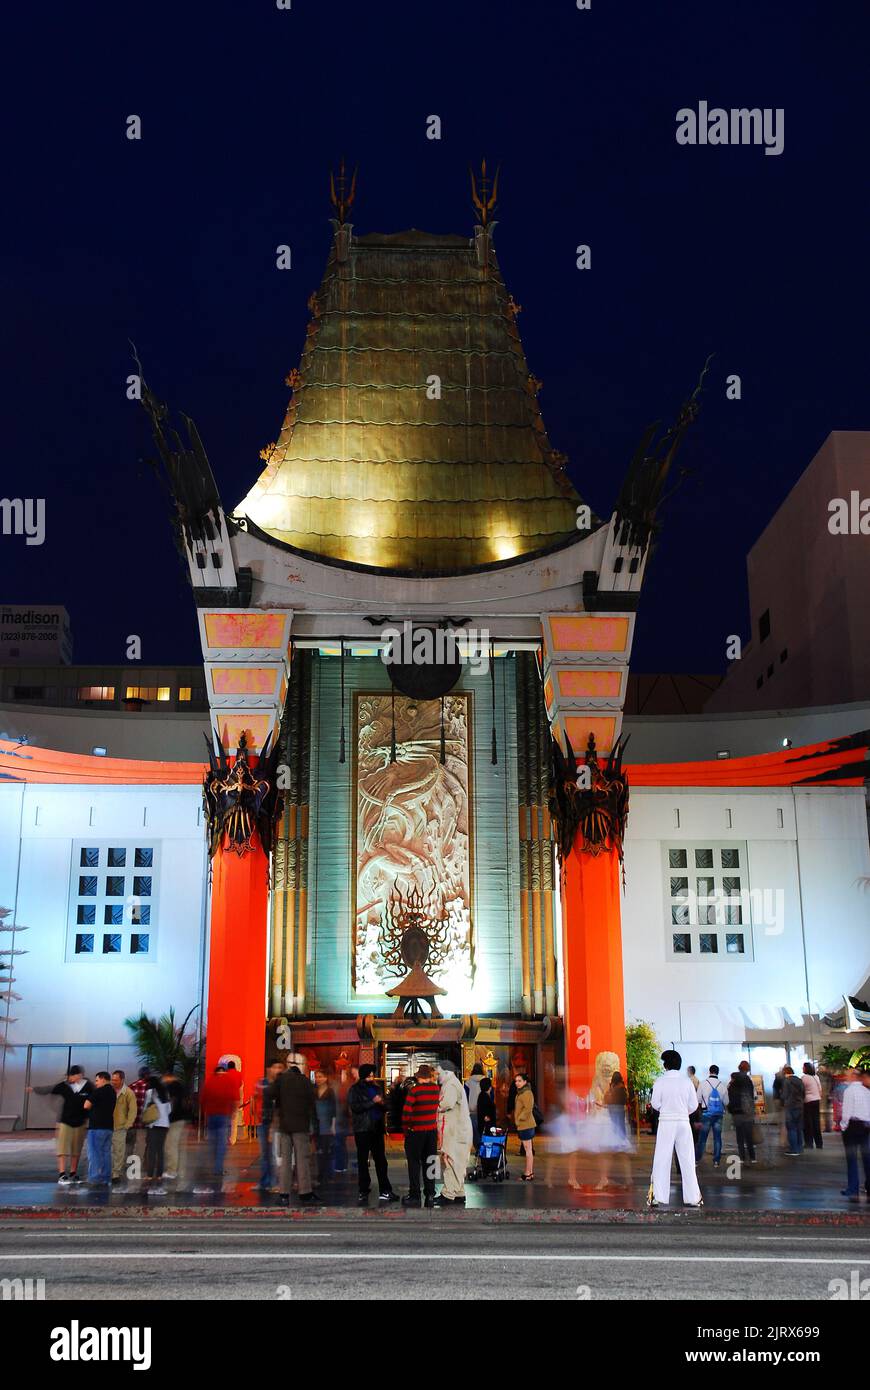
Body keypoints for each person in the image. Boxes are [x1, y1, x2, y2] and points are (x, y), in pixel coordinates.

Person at [648, 1049, 702, 1208]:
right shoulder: (687, 1082)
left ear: (665, 1065)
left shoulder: (659, 1082)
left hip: (666, 1121)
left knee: (662, 1159)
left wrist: (667, 1109)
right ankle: (693, 1197)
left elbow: (655, 1103)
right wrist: (682, 1112)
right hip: (683, 1121)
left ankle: (659, 1196)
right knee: (687, 1159)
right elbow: (693, 1105)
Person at [28, 1065, 93, 1186]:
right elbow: (50, 1089)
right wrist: (34, 1089)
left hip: (80, 1122)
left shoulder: (88, 1086)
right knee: (62, 1148)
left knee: (76, 1149)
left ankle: (73, 1173)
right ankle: (62, 1174)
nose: (69, 1078)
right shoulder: (64, 1085)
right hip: (65, 1121)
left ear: (79, 1075)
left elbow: (96, 1096)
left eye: (72, 1076)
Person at [270, 1060, 320, 1205]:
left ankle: (284, 1194)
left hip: (285, 1127)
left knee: (285, 1161)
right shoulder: (305, 1082)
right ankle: (305, 1193)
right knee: (302, 1160)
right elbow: (312, 1105)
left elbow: (270, 1094)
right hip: (301, 1127)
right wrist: (315, 1127)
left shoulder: (282, 1081)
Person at [348, 1065, 396, 1205]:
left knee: (381, 1161)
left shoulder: (376, 1088)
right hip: (363, 1129)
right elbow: (355, 1107)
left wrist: (382, 1103)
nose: (371, 1078)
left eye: (372, 1075)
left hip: (376, 1128)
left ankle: (385, 1190)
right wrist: (372, 1102)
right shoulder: (355, 1089)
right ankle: (363, 1190)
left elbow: (385, 1105)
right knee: (363, 1161)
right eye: (369, 1075)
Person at [198, 1062, 243, 1190]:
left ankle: (213, 1164)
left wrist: (206, 1112)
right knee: (222, 1143)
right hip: (224, 1115)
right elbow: (235, 1097)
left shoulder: (210, 1080)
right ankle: (218, 1168)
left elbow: (203, 1099)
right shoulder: (229, 1080)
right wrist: (233, 1112)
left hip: (211, 1116)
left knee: (213, 1141)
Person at [434, 1060, 473, 1206]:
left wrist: (434, 1106)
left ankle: (448, 1194)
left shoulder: (450, 1084)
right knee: (457, 1162)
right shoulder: (454, 1083)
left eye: (439, 1073)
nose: (438, 1076)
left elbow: (445, 1104)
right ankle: (459, 1193)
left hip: (455, 1131)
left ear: (447, 1072)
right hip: (459, 1130)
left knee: (451, 1161)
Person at [401, 1064, 440, 1207]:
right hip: (431, 1131)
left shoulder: (415, 1090)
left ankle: (415, 1195)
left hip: (416, 1131)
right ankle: (430, 1194)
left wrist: (407, 1129)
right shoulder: (436, 1089)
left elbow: (406, 1112)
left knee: (414, 1163)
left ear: (419, 1076)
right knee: (430, 1161)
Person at [840, 1065, 870, 1202]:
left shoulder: (849, 1091)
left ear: (853, 1077)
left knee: (851, 1159)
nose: (846, 1076)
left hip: (852, 1126)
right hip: (866, 1126)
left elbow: (846, 1112)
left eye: (848, 1074)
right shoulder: (866, 1091)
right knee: (867, 1159)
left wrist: (843, 1126)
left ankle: (853, 1189)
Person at [82, 1071, 116, 1187]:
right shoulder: (112, 1092)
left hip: (96, 1127)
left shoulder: (99, 1091)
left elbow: (86, 1105)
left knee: (95, 1153)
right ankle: (106, 1178)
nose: (96, 1083)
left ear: (102, 1079)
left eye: (97, 1080)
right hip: (108, 1127)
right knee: (106, 1153)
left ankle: (95, 1178)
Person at [256, 1061, 283, 1192]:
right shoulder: (262, 1083)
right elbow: (258, 1099)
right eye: (276, 1067)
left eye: (280, 1067)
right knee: (264, 1154)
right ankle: (264, 1182)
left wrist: (273, 1126)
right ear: (268, 1069)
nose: (278, 1070)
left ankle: (274, 1182)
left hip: (276, 1124)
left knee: (275, 1154)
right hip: (263, 1122)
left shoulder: (281, 1085)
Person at [142, 1076, 171, 1194]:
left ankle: (149, 1175)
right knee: (160, 1150)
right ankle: (159, 1175)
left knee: (152, 1151)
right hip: (164, 1125)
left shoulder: (150, 1092)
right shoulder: (165, 1093)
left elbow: (145, 1109)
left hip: (153, 1125)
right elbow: (169, 1110)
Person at [110, 1070, 137, 1184]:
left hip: (120, 1127)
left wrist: (127, 1125)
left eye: (115, 1080)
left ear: (122, 1080)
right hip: (107, 1125)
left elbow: (133, 1110)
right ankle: (108, 1171)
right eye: (112, 1079)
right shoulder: (109, 1091)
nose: (113, 1082)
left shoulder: (128, 1093)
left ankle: (116, 1174)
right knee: (108, 1151)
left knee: (118, 1151)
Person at [695, 1065, 726, 1167]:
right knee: (717, 1138)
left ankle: (697, 1159)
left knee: (703, 1138)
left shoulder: (703, 1084)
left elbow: (698, 1099)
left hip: (706, 1113)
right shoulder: (722, 1085)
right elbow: (726, 1101)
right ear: (718, 1072)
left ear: (710, 1071)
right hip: (718, 1114)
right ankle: (716, 1161)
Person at [162, 1071, 190, 1183]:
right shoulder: (182, 1086)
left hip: (174, 1119)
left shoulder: (171, 1087)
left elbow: (171, 1103)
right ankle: (182, 1171)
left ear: (167, 1077)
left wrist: (168, 1116)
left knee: (170, 1145)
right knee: (181, 1147)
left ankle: (171, 1171)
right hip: (183, 1119)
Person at [727, 1066, 757, 1163]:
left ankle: (742, 1158)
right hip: (747, 1112)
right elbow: (753, 1096)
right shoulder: (748, 1082)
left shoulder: (732, 1085)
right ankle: (752, 1157)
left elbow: (729, 1100)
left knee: (739, 1136)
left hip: (736, 1113)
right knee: (749, 1136)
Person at [314, 1069, 337, 1186]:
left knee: (327, 1151)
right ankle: (320, 1174)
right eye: (316, 1077)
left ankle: (328, 1175)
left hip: (327, 1124)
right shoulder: (314, 1091)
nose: (318, 1079)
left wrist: (333, 1125)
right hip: (317, 1124)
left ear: (325, 1078)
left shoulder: (330, 1092)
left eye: (320, 1076)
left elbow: (334, 1110)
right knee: (319, 1151)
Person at [513, 1072, 536, 1181]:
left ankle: (527, 1173)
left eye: (519, 1081)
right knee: (529, 1150)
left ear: (525, 1082)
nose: (517, 1083)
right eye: (516, 1081)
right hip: (525, 1124)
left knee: (527, 1150)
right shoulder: (521, 1092)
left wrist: (519, 1119)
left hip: (526, 1124)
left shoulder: (526, 1093)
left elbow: (528, 1109)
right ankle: (530, 1173)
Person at [781, 1066, 805, 1156]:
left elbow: (784, 1095)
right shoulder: (799, 1080)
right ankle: (800, 1147)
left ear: (785, 1073)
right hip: (800, 1106)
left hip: (790, 1106)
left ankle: (793, 1149)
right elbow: (803, 1093)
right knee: (799, 1128)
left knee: (791, 1128)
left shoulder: (786, 1081)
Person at [464, 1063, 487, 1152]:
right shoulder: (485, 1080)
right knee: (483, 1130)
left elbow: (465, 1096)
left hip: (472, 1110)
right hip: (484, 1110)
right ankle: (484, 1148)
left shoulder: (468, 1082)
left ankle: (478, 1148)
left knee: (474, 1131)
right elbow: (491, 1095)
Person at [802, 1062, 824, 1150]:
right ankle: (819, 1143)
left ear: (806, 1068)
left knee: (808, 1123)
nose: (802, 1069)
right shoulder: (816, 1077)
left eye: (803, 1067)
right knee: (816, 1122)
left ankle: (809, 1143)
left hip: (808, 1102)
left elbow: (801, 1089)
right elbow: (820, 1089)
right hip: (816, 1101)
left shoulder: (804, 1078)